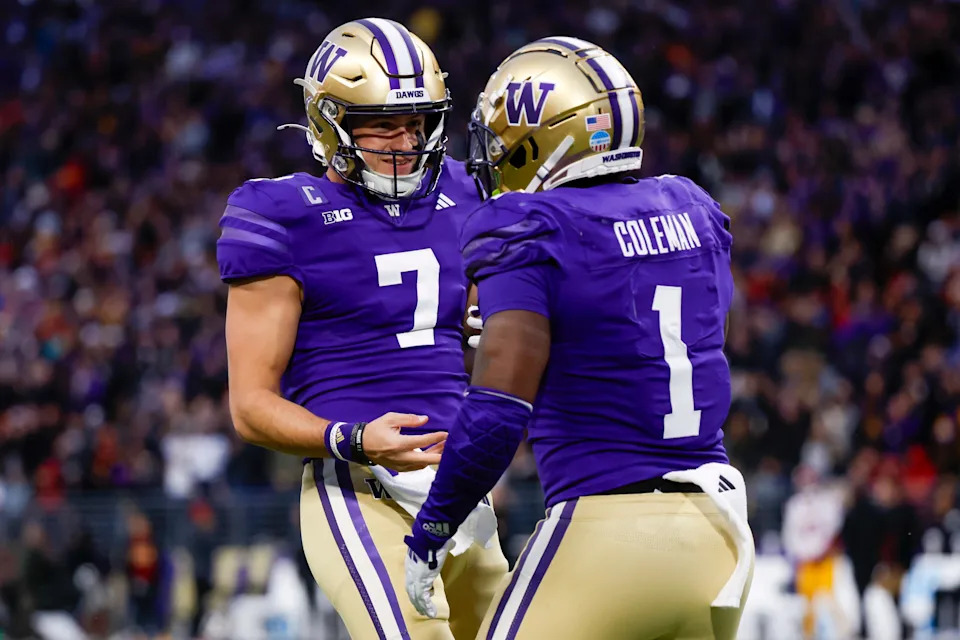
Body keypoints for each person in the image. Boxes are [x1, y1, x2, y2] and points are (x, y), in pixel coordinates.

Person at [404, 37, 754, 639]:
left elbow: (497, 412)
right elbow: (696, 338)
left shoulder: (530, 227)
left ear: (542, 141)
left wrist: (434, 526)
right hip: (719, 531)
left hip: (606, 535)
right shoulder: (693, 207)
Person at [217, 18, 507, 639]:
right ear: (331, 124)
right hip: (357, 488)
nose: (405, 141)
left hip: (461, 487)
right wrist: (352, 438)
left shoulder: (465, 190)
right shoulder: (282, 214)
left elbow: (477, 331)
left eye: (416, 122)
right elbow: (249, 406)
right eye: (381, 124)